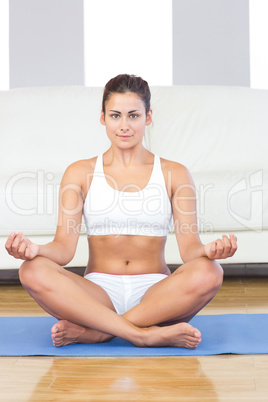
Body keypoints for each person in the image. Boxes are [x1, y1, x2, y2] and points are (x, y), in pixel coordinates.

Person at [5, 74, 237, 349]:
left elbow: (190, 251)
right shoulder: (80, 172)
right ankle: (143, 334)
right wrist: (36, 250)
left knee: (210, 272)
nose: (124, 126)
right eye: (115, 116)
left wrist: (211, 252)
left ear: (148, 117)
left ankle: (101, 332)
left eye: (133, 116)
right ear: (102, 118)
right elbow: (63, 250)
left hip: (155, 294)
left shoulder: (175, 173)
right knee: (31, 270)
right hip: (98, 292)